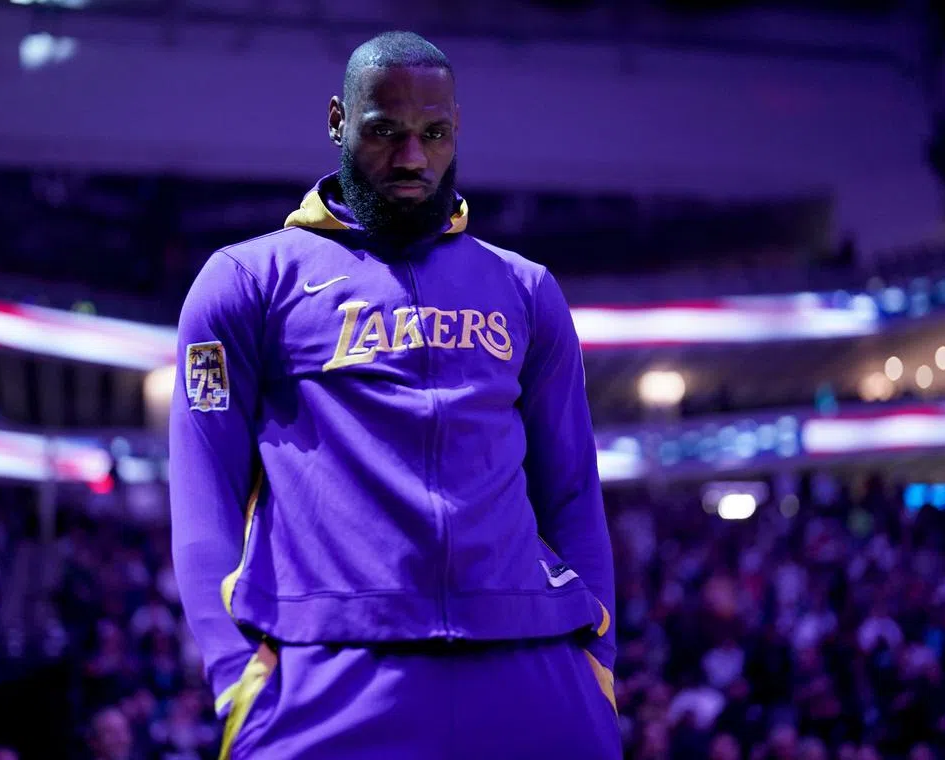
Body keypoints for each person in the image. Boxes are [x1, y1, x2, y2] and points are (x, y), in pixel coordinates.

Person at [169, 30, 619, 760]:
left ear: (456, 129)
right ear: (338, 122)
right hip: (328, 672)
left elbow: (573, 493)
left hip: (532, 666)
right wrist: (233, 674)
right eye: (385, 132)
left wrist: (599, 661)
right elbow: (201, 499)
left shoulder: (527, 289)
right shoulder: (244, 283)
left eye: (433, 133)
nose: (413, 158)